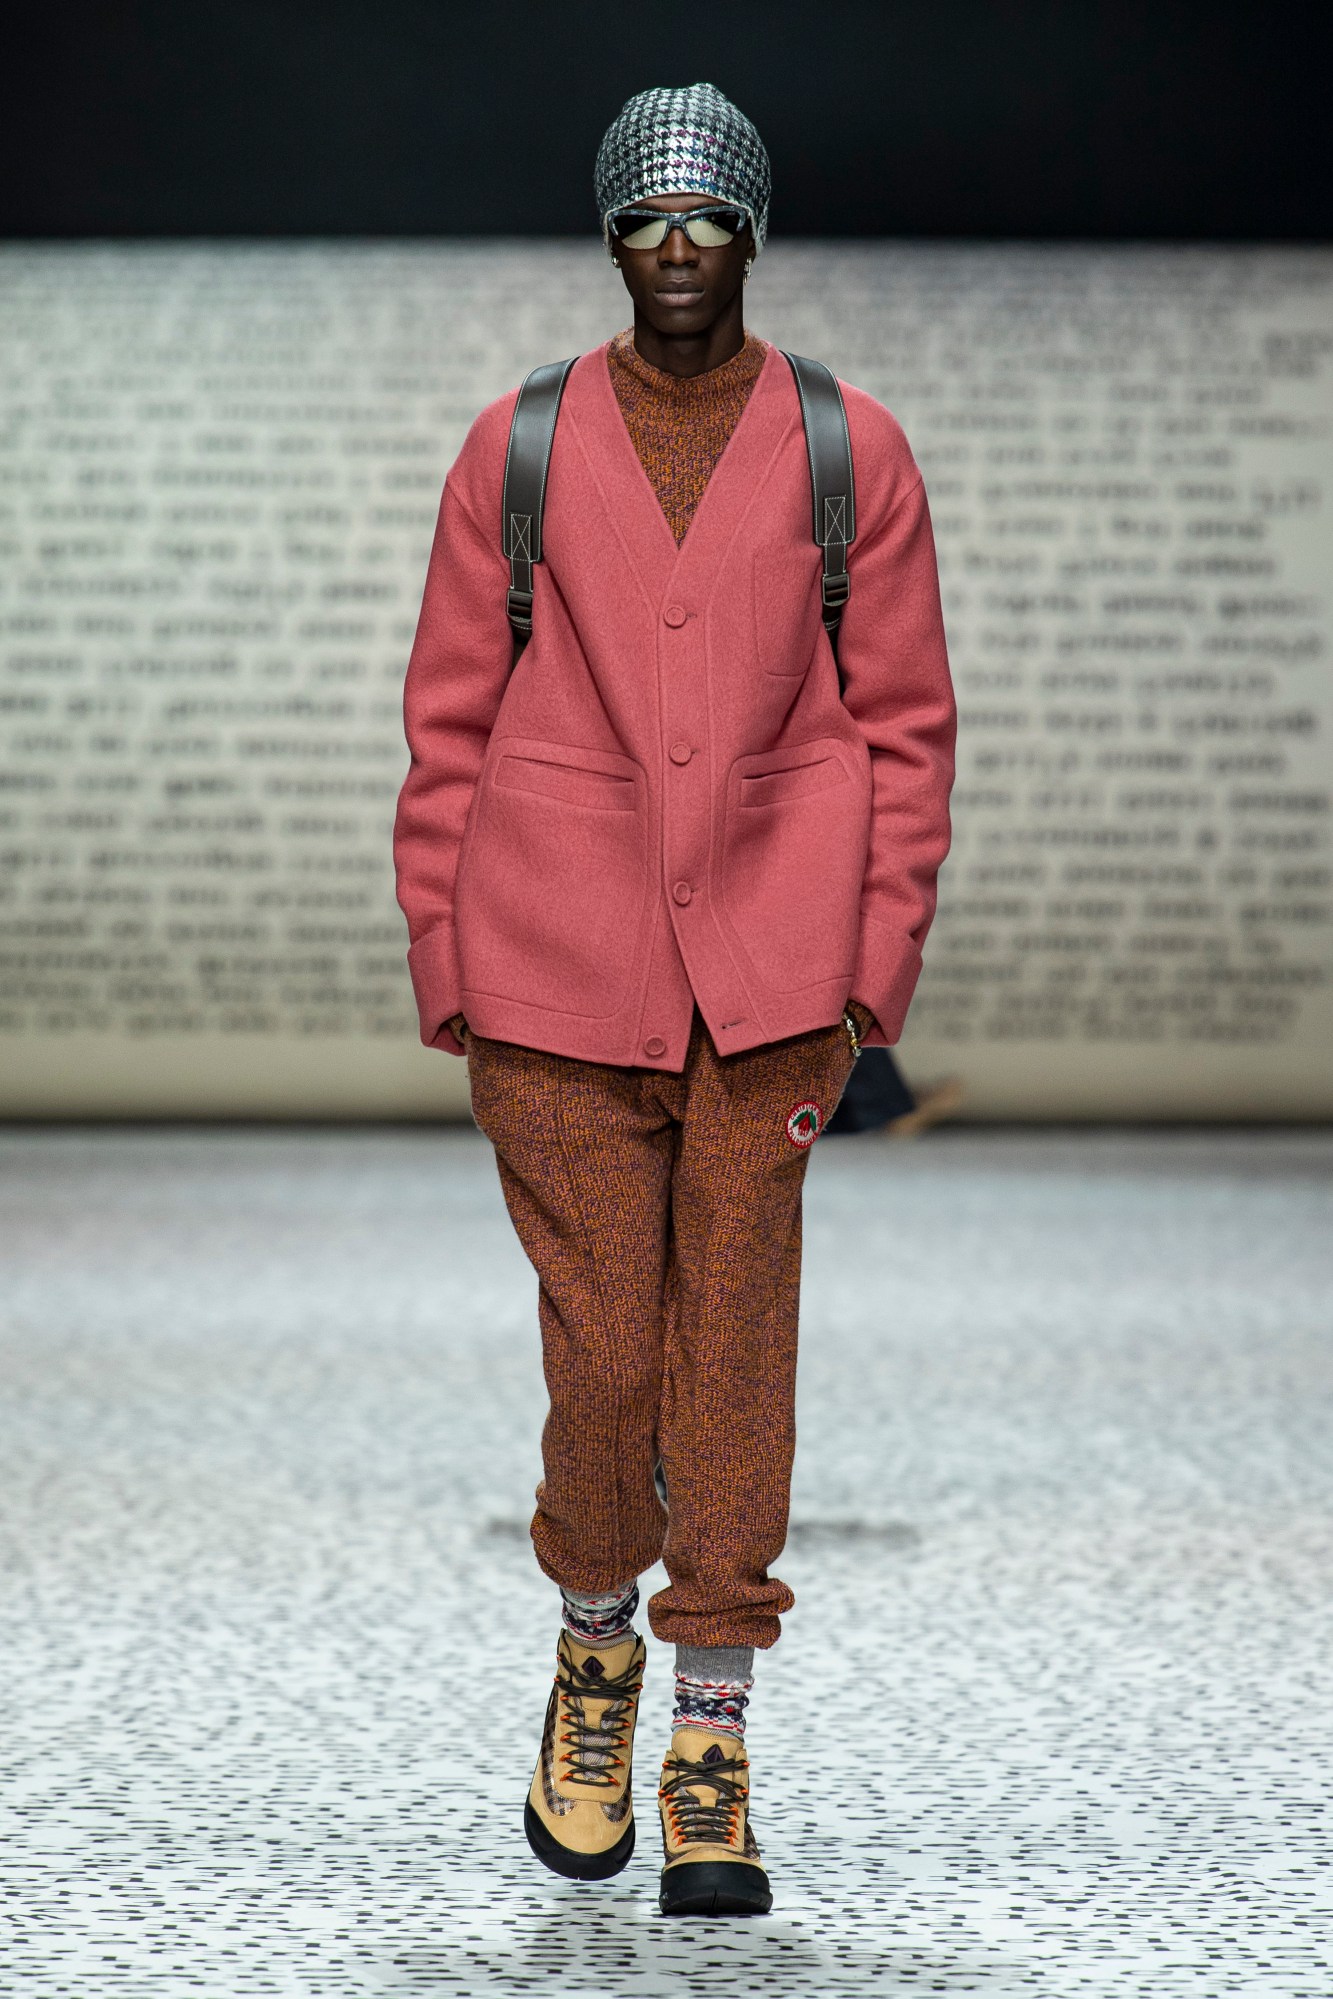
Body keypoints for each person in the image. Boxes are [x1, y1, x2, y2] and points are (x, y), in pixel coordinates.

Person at [393, 82, 955, 1918]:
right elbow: (448, 727)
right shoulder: (524, 445)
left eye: (712, 219)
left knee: (730, 1358)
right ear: (611, 237)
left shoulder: (844, 448)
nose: (681, 251)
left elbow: (905, 726)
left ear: (754, 235)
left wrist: (870, 971)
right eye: (649, 219)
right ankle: (590, 1646)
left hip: (774, 981)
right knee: (606, 1356)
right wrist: (445, 954)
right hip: (551, 971)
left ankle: (707, 1726)